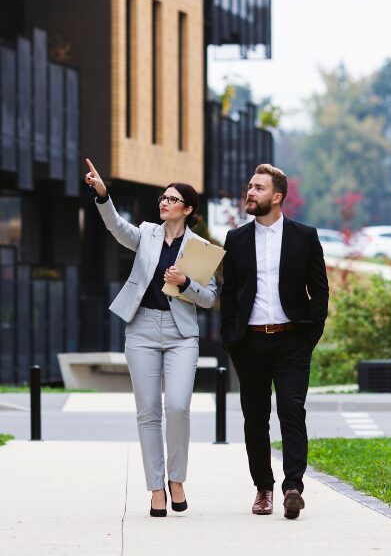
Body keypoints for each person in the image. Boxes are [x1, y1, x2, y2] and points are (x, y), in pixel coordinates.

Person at [84, 158, 218, 518]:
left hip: (181, 334)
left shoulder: (201, 247)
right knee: (147, 413)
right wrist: (102, 195)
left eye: (173, 199)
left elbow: (209, 298)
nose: (164, 202)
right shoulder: (146, 234)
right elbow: (116, 227)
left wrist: (185, 283)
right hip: (141, 328)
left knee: (177, 406)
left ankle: (177, 479)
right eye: (163, 197)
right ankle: (157, 488)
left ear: (187, 209)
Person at [220, 163, 329, 520]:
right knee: (255, 419)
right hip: (249, 342)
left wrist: (311, 334)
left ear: (277, 197)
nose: (250, 193)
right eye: (250, 187)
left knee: (292, 411)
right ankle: (263, 488)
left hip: (292, 340)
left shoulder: (305, 236)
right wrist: (230, 337)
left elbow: (320, 289)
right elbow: (229, 292)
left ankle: (292, 487)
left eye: (258, 188)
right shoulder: (236, 239)